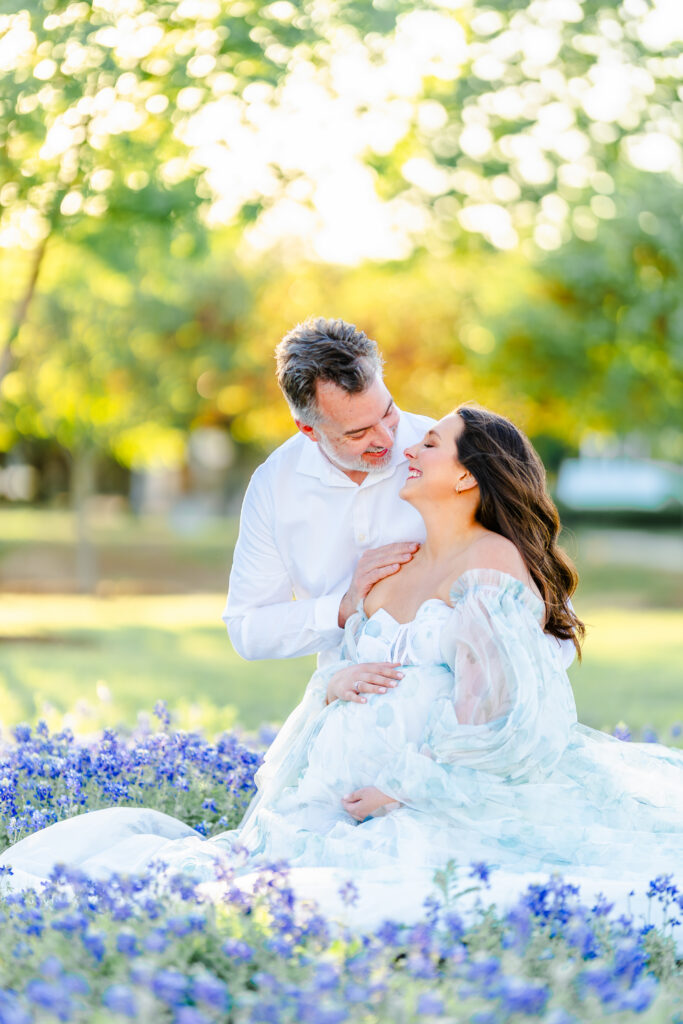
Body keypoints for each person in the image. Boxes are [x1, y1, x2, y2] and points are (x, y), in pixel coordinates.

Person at [2, 404, 682, 948]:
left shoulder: (492, 564)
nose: (409, 447)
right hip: (326, 800)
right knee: (229, 880)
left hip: (423, 800)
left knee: (374, 896)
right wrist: (333, 682)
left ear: (468, 476)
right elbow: (333, 665)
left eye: (431, 443)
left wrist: (403, 786)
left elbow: (511, 719)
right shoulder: (396, 560)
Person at [222, 316, 575, 670]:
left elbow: (542, 616)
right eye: (358, 433)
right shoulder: (274, 486)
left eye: (388, 411)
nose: (389, 440)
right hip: (350, 690)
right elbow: (247, 628)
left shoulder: (446, 457)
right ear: (308, 430)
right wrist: (344, 608)